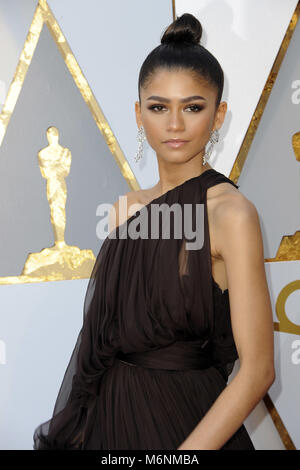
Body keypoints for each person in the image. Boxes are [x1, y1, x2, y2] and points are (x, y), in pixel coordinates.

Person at [33, 13, 275, 450]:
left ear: (219, 115)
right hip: (109, 424)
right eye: (159, 107)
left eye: (194, 107)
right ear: (139, 113)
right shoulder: (124, 210)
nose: (175, 125)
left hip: (188, 428)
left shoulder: (231, 214)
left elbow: (258, 371)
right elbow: (100, 344)